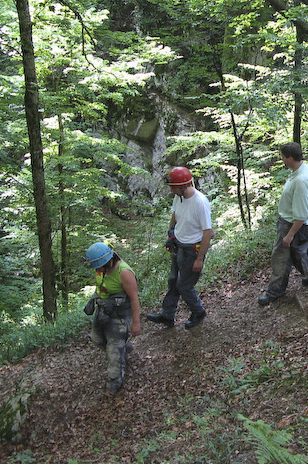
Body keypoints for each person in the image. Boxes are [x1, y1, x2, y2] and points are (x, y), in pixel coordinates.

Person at [258, 142, 308, 306]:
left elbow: (301, 214)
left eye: (283, 156)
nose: (281, 159)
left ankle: (275, 291)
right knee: (300, 254)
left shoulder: (301, 180)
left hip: (292, 224)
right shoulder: (303, 170)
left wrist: (290, 235)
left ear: (289, 158)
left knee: (280, 257)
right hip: (298, 222)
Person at [146, 166, 213, 329]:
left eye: (173, 187)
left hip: (192, 250)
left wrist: (199, 259)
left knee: (184, 285)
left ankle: (198, 311)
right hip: (179, 245)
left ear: (183, 186)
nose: (171, 190)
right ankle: (168, 315)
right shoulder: (179, 197)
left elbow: (208, 232)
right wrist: (170, 234)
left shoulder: (200, 202)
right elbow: (175, 215)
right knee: (173, 280)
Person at [83, 241, 141, 394]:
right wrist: (94, 299)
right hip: (104, 309)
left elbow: (134, 299)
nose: (97, 270)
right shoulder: (102, 269)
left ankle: (114, 382)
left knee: (113, 352)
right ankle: (124, 349)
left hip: (120, 314)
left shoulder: (124, 273)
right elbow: (101, 287)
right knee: (97, 338)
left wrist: (136, 323)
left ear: (108, 261)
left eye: (98, 266)